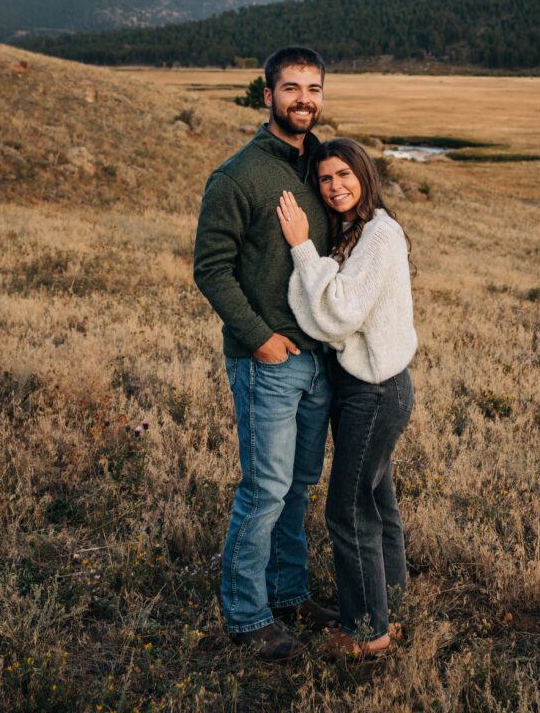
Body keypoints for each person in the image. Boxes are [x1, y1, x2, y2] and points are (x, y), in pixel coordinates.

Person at [193, 46, 337, 661]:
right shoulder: (236, 176)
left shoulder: (324, 167)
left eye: (313, 88)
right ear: (266, 95)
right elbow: (211, 269)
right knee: (265, 491)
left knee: (299, 488)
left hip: (318, 362)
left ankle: (287, 592)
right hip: (268, 363)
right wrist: (259, 339)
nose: (303, 98)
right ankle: (247, 615)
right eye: (290, 88)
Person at [277, 137, 417, 657]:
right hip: (364, 386)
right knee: (377, 499)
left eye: (343, 175)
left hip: (375, 391)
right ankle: (391, 607)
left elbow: (336, 311)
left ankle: (367, 630)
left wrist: (299, 246)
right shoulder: (352, 233)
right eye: (325, 179)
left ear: (364, 174)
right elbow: (328, 307)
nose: (334, 187)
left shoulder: (379, 233)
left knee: (347, 508)